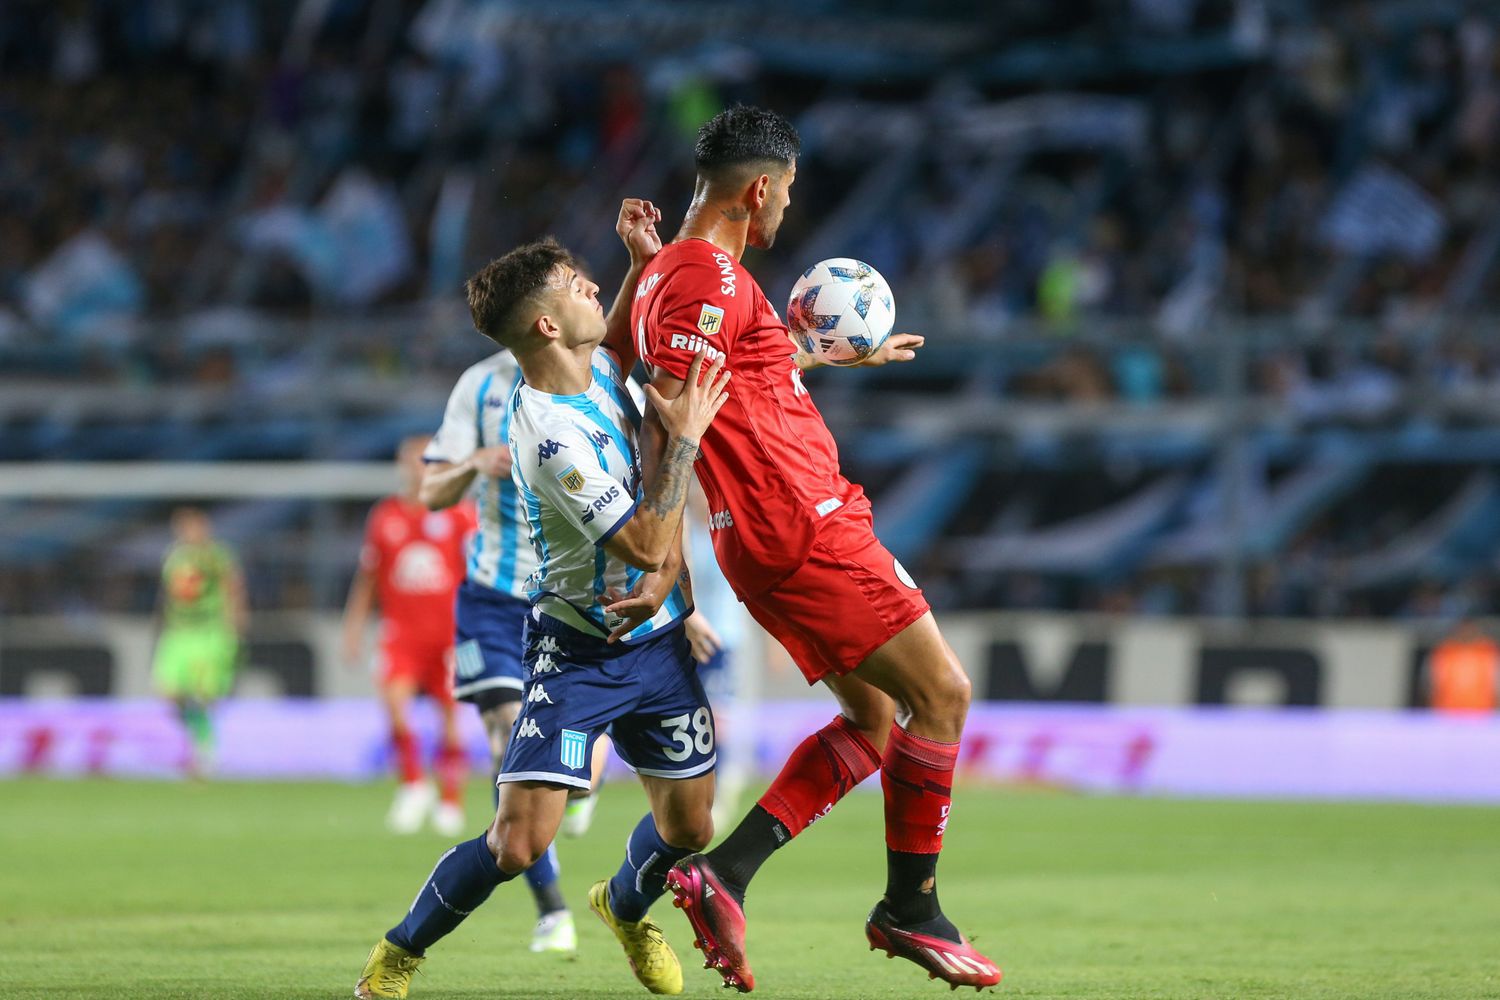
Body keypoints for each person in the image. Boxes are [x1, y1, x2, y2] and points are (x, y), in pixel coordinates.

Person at [631, 106, 1002, 991]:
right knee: (943, 696)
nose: (786, 212)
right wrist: (656, 554)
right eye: (787, 195)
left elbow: (720, 379)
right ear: (759, 189)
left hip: (773, 533)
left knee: (876, 721)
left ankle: (726, 874)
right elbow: (668, 415)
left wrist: (818, 358)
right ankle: (910, 909)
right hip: (802, 521)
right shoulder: (708, 282)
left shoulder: (679, 278)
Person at [355, 213, 732, 1000]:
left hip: (655, 642)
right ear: (547, 323)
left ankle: (625, 907)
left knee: (693, 828)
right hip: (579, 651)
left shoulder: (591, 368)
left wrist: (639, 264)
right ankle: (397, 954)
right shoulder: (549, 436)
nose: (593, 286)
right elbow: (640, 543)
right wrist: (687, 442)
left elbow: (617, 329)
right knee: (518, 843)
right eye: (576, 284)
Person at [341, 436, 475, 836]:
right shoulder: (385, 516)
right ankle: (414, 784)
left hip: (450, 635)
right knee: (395, 705)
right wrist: (353, 628)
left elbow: (479, 574)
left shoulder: (458, 514)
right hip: (402, 633)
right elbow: (367, 578)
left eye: (425, 461)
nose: (417, 468)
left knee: (450, 718)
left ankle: (451, 799)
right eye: (411, 461)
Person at [152, 506, 247, 777]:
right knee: (168, 693)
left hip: (209, 632)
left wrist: (236, 626)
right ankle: (198, 743)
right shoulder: (173, 557)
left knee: (204, 696)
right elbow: (166, 597)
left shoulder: (217, 556)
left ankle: (204, 754)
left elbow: (234, 588)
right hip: (178, 633)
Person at [1426, 618, 1499, 714]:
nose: (1466, 633)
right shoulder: (1444, 651)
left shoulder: (1488, 651)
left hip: (1482, 711)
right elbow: (1432, 684)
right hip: (1447, 711)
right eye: (1463, 630)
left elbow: (1496, 683)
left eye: (1469, 629)